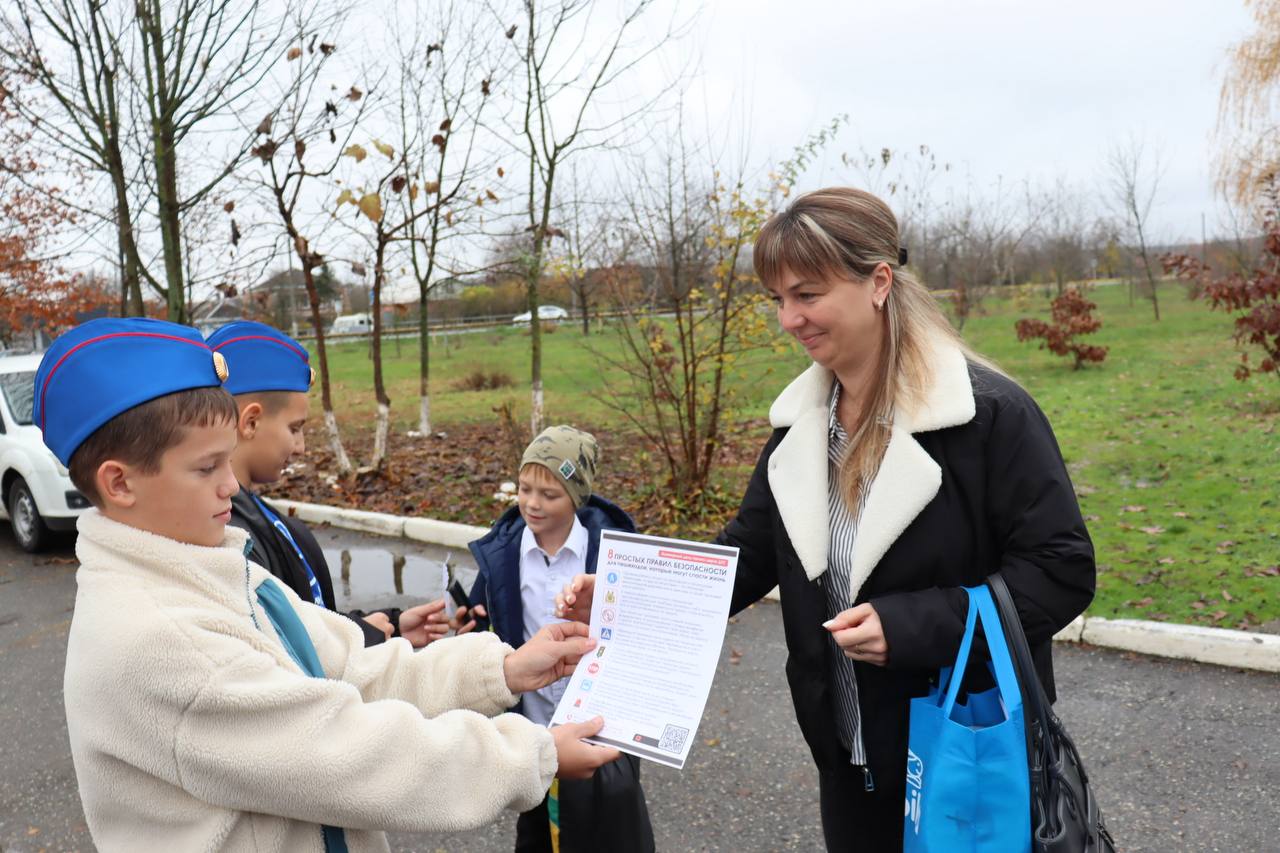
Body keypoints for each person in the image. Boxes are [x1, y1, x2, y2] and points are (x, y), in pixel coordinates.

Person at [556, 188, 1096, 850]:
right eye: (778, 298)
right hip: (848, 759)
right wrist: (626, 602)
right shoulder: (800, 429)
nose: (789, 317)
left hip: (964, 755)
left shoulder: (987, 417)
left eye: (807, 293)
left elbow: (1062, 569)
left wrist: (915, 625)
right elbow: (747, 555)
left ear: (878, 281)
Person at [39, 317, 619, 851]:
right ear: (119, 483)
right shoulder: (158, 639)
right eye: (205, 468)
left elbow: (351, 668)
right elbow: (348, 756)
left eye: (226, 462)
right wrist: (532, 757)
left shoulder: (215, 567)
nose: (230, 487)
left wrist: (504, 669)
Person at [462, 425, 655, 853]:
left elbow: (643, 628)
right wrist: (470, 624)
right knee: (538, 832)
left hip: (600, 724)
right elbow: (485, 618)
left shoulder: (613, 552)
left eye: (549, 495)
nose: (532, 503)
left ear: (578, 496)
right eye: (525, 488)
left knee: (610, 826)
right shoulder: (503, 554)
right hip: (534, 722)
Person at [207, 320, 452, 648]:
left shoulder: (256, 513)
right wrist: (365, 635)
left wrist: (388, 625)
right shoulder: (228, 533)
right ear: (250, 422)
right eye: (295, 428)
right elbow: (284, 649)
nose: (301, 447)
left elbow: (309, 615)